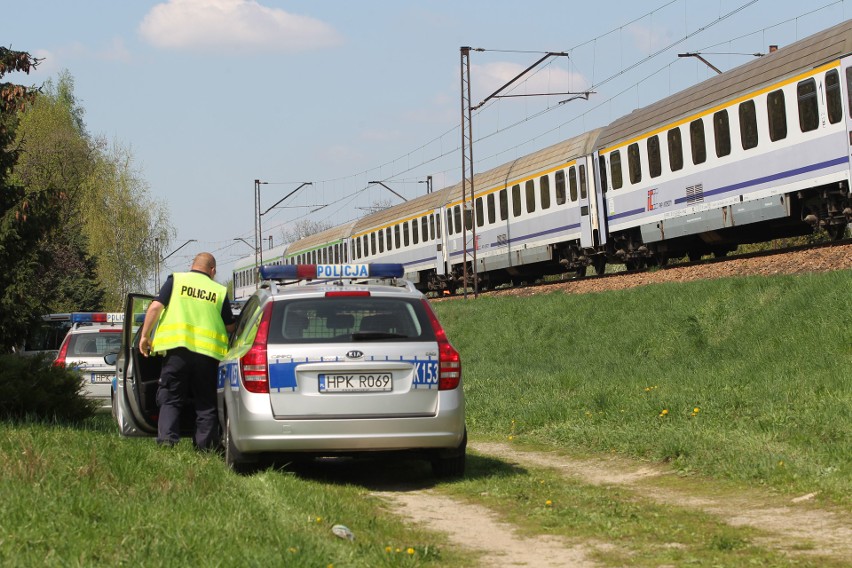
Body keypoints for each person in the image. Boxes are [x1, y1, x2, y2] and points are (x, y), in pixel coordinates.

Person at [139, 252, 236, 449]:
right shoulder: (218, 290)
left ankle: (167, 443)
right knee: (206, 403)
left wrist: (144, 336)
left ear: (193, 265)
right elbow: (229, 327)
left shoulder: (176, 280)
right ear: (213, 270)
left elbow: (155, 307)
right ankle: (205, 447)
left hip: (176, 352)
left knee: (171, 398)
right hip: (207, 355)